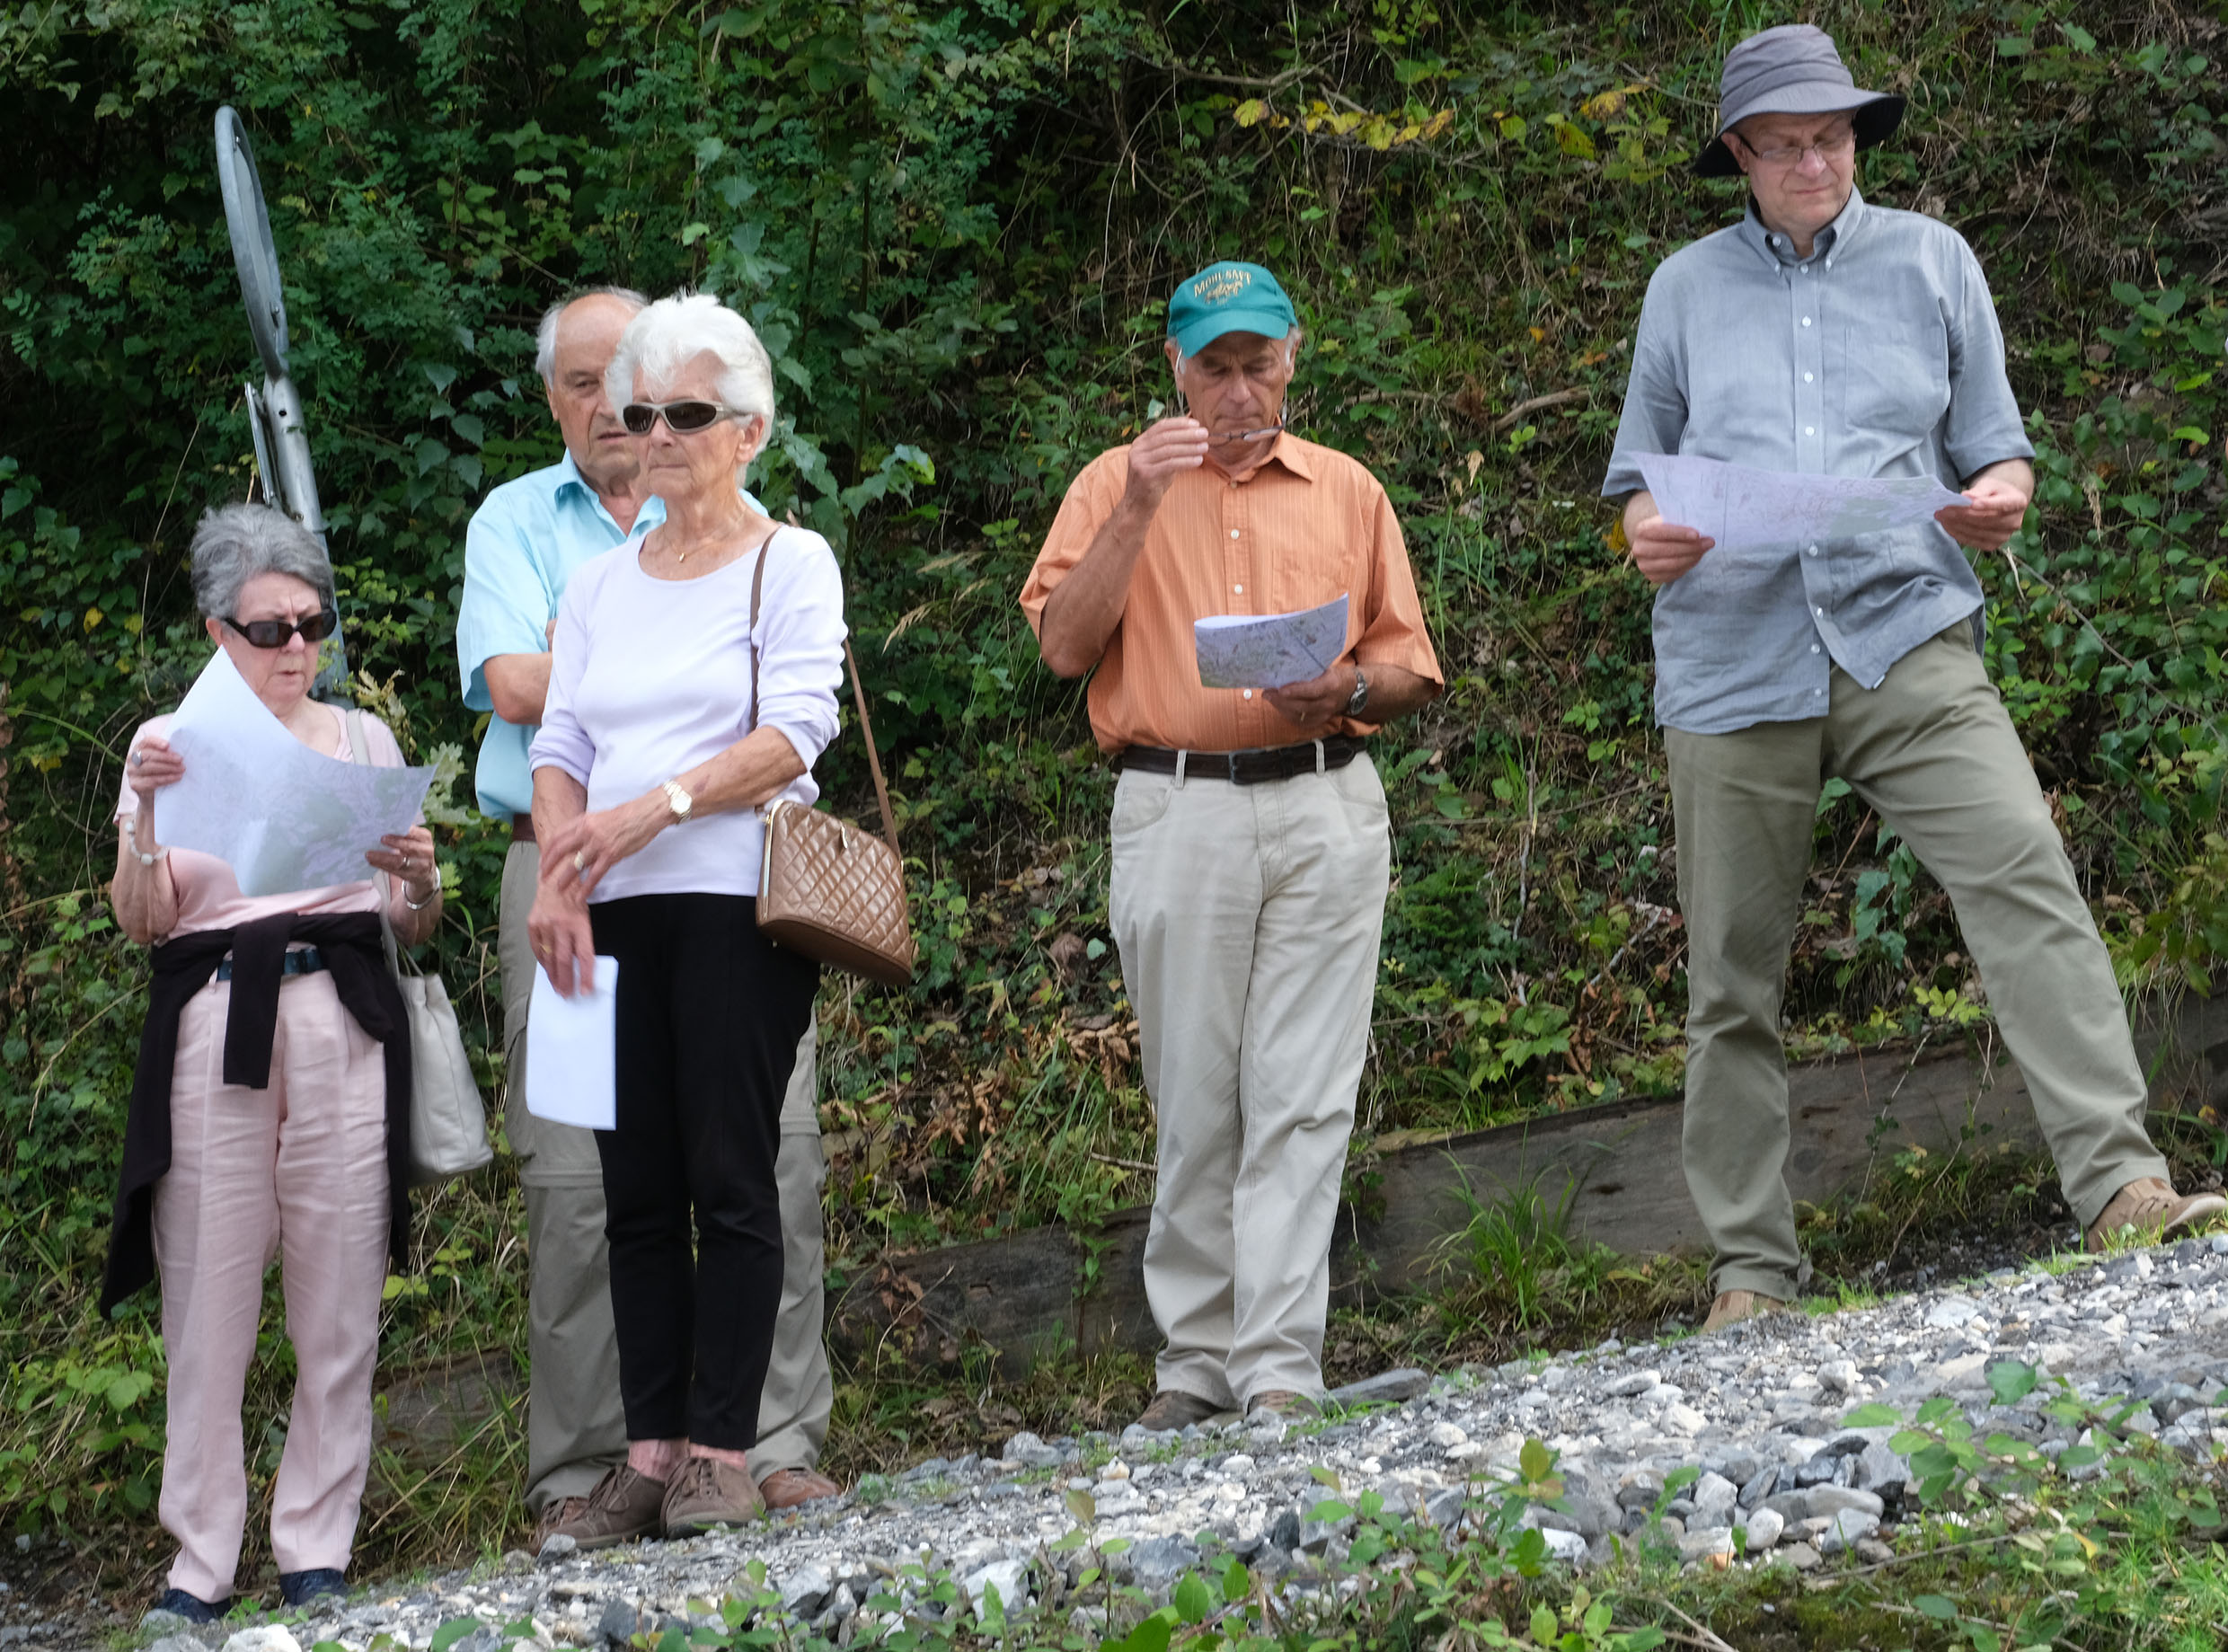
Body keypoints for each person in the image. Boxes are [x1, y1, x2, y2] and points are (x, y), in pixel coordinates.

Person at [1604, 23, 2227, 1332]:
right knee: (1730, 976)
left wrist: (2000, 494)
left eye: (1834, 137)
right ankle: (1752, 1278)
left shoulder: (1935, 260)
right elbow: (1638, 481)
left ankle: (2122, 1188)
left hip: (1905, 630)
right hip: (1731, 658)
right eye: (1787, 144)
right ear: (1739, 154)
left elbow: (1997, 447)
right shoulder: (1681, 289)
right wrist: (1645, 532)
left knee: (2025, 874)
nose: (1816, 162)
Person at [1021, 261, 1443, 1427]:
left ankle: (1277, 1367)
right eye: (1215, 368)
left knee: (1304, 1092)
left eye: (1259, 364)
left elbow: (1410, 664)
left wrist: (1346, 683)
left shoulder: (1346, 489)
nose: (1239, 390)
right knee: (1194, 1092)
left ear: (1293, 357)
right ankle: (1194, 1364)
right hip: (1177, 805)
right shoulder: (1112, 482)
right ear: (1175, 368)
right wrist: (1139, 505)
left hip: (1325, 796)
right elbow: (1062, 648)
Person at [455, 287, 840, 1545]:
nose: (658, 434)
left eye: (688, 413)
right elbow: (557, 738)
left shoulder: (789, 560)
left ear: (750, 430)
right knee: (632, 1193)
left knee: (731, 1178)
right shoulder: (601, 583)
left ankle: (726, 1451)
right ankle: (650, 1452)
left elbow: (796, 732)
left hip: (735, 903)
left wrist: (652, 810)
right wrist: (564, 877)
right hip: (608, 914)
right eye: (642, 413)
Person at [106, 504, 439, 1622]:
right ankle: (199, 1561)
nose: (297, 648)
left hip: (341, 1014)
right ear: (218, 632)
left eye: (313, 624)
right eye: (270, 629)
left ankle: (316, 1550)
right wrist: (146, 819)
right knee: (206, 1295)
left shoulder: (363, 739)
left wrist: (421, 879)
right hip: (218, 1017)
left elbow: (410, 923)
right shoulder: (167, 743)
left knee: (340, 1292)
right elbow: (143, 921)